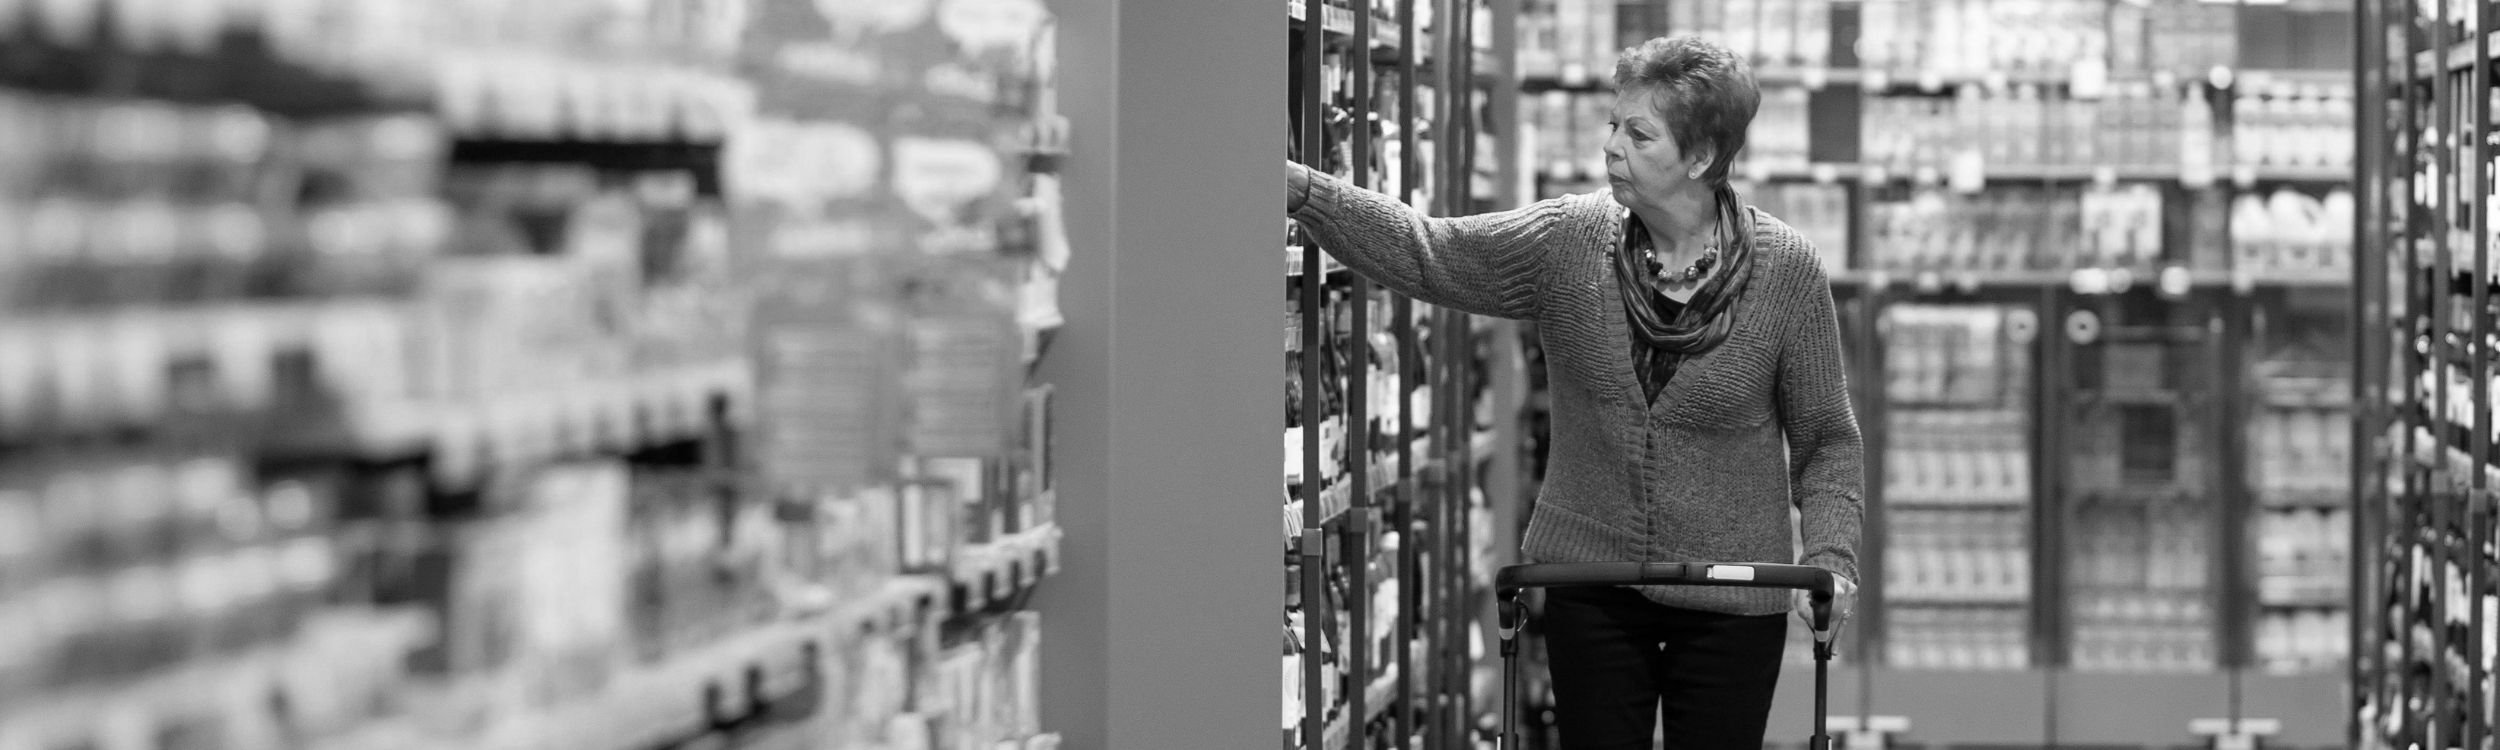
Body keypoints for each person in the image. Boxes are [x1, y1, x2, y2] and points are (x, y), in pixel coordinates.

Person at [1286, 35, 1862, 749]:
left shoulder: (1789, 273)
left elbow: (1826, 440)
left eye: (1639, 134)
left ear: (1701, 157)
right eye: (1613, 124)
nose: (1611, 146)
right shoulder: (1569, 241)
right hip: (1591, 586)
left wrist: (1832, 559)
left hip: (1734, 596)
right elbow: (1429, 251)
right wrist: (1307, 192)